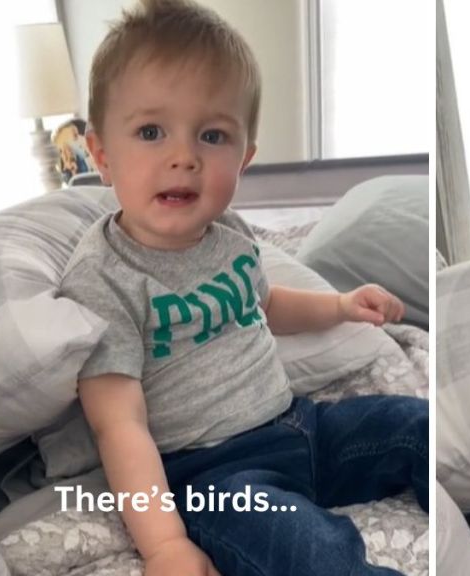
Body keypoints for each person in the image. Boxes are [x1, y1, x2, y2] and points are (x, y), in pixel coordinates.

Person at [56, 1, 428, 574]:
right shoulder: (103, 275)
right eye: (151, 132)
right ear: (102, 154)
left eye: (212, 135)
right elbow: (119, 424)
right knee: (313, 553)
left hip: (303, 427)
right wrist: (165, 546)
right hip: (217, 476)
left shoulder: (229, 233)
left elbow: (267, 305)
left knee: (420, 426)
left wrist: (340, 305)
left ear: (245, 157)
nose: (183, 158)